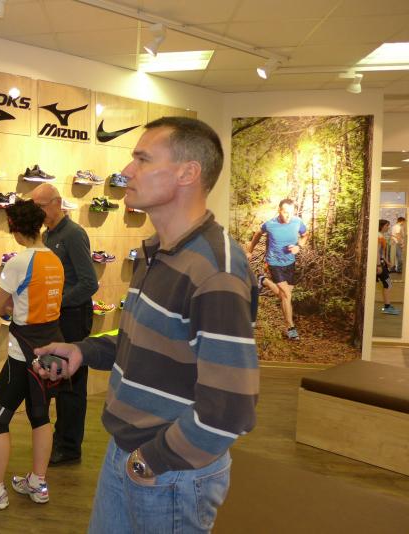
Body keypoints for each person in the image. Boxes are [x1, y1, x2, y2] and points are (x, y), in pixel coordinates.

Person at [33, 117, 259, 533]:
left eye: (142, 159)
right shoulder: (158, 251)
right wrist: (83, 351)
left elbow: (231, 406)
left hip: (170, 472)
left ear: (187, 173)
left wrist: (152, 460)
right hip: (126, 452)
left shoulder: (216, 270)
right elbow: (139, 341)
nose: (127, 171)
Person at [0, 199, 65, 515]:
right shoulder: (55, 260)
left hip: (22, 355)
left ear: (15, 229)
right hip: (49, 351)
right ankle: (38, 483)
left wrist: (11, 307)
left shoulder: (19, 262)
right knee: (40, 415)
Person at [29, 183, 99, 465]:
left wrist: (57, 302)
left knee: (71, 384)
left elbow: (89, 283)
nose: (38, 212)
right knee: (55, 379)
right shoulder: (47, 236)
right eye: (35, 207)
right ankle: (58, 441)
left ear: (57, 203)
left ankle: (69, 447)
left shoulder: (73, 234)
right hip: (56, 317)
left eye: (42, 206)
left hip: (73, 316)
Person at [248, 198, 307, 340]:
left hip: (290, 263)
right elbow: (257, 233)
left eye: (291, 212)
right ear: (279, 210)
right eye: (285, 212)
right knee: (286, 295)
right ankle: (291, 328)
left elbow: (305, 235)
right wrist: (249, 250)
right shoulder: (270, 224)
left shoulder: (297, 222)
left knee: (284, 296)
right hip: (274, 263)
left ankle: (264, 281)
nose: (288, 215)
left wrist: (299, 246)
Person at [378, 219, 400, 315]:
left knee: (387, 284)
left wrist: (387, 262)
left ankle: (387, 306)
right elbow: (377, 252)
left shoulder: (381, 235)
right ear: (382, 226)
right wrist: (378, 265)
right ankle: (387, 307)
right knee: (388, 284)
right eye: (387, 225)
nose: (388, 227)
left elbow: (381, 253)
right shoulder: (379, 236)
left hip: (381, 263)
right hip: (379, 265)